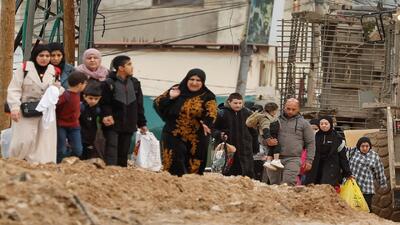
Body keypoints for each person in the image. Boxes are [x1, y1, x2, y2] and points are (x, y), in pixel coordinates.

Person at [153, 68, 217, 176]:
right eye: (191, 79)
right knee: (174, 163)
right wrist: (171, 98)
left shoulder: (208, 96)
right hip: (173, 133)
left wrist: (207, 123)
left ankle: (190, 191)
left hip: (196, 138)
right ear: (186, 79)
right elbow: (157, 103)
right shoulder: (177, 89)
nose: (194, 83)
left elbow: (212, 112)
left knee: (193, 168)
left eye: (198, 80)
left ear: (203, 82)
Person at [7, 44, 60, 163]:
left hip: (45, 111)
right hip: (25, 108)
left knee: (43, 141)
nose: (44, 58)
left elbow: (58, 88)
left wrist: (55, 91)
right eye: (41, 55)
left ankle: (42, 165)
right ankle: (14, 162)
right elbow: (14, 89)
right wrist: (14, 107)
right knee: (23, 139)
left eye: (47, 56)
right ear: (35, 56)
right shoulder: (24, 68)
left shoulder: (54, 71)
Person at [101, 55, 147, 167]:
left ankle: (121, 179)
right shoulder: (108, 83)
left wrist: (142, 123)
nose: (132, 67)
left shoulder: (135, 83)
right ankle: (110, 175)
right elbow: (104, 103)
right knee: (111, 152)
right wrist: (107, 115)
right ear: (121, 68)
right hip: (112, 125)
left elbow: (139, 105)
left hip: (129, 125)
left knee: (123, 153)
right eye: (129, 64)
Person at [265, 98, 315, 185]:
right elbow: (262, 135)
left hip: (293, 159)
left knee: (288, 183)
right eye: (288, 108)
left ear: (298, 109)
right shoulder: (274, 120)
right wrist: (266, 142)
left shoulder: (304, 124)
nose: (290, 111)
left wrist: (309, 160)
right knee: (274, 184)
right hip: (274, 158)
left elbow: (310, 143)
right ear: (284, 107)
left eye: (293, 109)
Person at [213, 93, 257, 178]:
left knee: (247, 176)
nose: (238, 105)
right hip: (228, 151)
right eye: (235, 103)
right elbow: (213, 129)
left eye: (240, 103)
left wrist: (255, 148)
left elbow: (254, 131)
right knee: (228, 175)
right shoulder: (221, 113)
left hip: (245, 151)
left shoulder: (247, 113)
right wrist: (220, 134)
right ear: (229, 102)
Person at [304, 116, 352, 188]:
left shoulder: (338, 139)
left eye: (326, 124)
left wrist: (348, 173)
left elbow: (343, 158)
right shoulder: (314, 137)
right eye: (321, 124)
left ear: (331, 124)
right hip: (316, 167)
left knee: (327, 189)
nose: (323, 125)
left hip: (331, 168)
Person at [348, 137, 387, 211]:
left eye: (367, 146)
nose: (365, 148)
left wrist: (382, 183)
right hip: (352, 185)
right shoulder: (352, 152)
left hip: (367, 187)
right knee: (352, 206)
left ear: (370, 147)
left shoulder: (374, 156)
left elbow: (379, 170)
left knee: (367, 208)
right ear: (358, 146)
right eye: (362, 146)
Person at [56, 71, 88, 163]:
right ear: (80, 84)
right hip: (61, 125)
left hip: (74, 126)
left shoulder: (78, 94)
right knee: (61, 149)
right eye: (85, 83)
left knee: (78, 150)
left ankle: (69, 162)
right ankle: (59, 165)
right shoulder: (65, 95)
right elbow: (56, 106)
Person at [246, 102, 283, 170]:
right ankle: (276, 160)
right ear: (272, 110)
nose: (276, 112)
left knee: (272, 148)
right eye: (276, 110)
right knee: (277, 145)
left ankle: (268, 162)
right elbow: (265, 129)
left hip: (271, 135)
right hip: (269, 136)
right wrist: (268, 139)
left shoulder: (270, 117)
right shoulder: (265, 118)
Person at [79, 81, 103, 160]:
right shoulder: (81, 108)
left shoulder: (99, 110)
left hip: (92, 138)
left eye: (96, 99)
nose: (93, 101)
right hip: (80, 136)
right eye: (90, 98)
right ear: (84, 96)